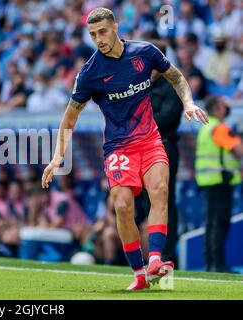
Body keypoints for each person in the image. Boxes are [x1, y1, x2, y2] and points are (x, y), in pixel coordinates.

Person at [41, 8, 209, 291]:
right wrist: (58, 156)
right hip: (119, 146)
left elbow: (177, 77)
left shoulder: (145, 52)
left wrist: (189, 102)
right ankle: (139, 273)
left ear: (116, 27)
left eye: (103, 32)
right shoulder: (89, 73)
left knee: (160, 191)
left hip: (150, 139)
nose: (99, 39)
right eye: (93, 35)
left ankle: (155, 260)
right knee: (122, 205)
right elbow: (69, 118)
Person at [135, 39, 184, 266]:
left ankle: (167, 254)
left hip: (164, 145)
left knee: (164, 199)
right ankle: (153, 254)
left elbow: (170, 117)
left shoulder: (172, 85)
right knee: (147, 201)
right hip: (143, 148)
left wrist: (144, 120)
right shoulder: (141, 86)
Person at [195, 96, 243, 272]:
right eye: (224, 105)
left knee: (210, 223)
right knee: (220, 223)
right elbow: (238, 150)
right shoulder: (219, 128)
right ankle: (218, 264)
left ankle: (210, 263)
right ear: (217, 108)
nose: (227, 108)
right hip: (220, 181)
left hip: (208, 181)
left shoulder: (205, 127)